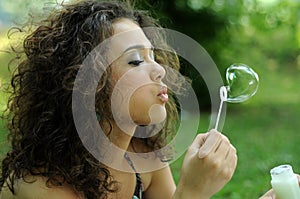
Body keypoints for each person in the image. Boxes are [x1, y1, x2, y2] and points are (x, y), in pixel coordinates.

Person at [0, 0, 239, 198]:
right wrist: (192, 191)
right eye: (135, 60)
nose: (161, 70)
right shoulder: (42, 186)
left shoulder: (141, 156)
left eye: (153, 56)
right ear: (87, 85)